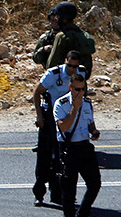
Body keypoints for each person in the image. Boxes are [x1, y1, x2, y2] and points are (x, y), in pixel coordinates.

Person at [31, 50, 86, 205]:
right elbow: (37, 92)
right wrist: (39, 116)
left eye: (75, 66)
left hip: (67, 118)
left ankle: (58, 194)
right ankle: (39, 193)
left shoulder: (80, 73)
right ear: (65, 61)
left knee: (61, 160)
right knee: (44, 157)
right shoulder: (53, 74)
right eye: (69, 65)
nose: (72, 69)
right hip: (50, 119)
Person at [53, 73, 101, 217]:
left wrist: (93, 131)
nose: (80, 93)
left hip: (84, 147)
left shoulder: (87, 103)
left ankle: (82, 216)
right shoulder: (62, 103)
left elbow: (89, 122)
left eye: (83, 89)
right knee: (69, 189)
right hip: (69, 149)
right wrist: (74, 107)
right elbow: (64, 127)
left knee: (95, 183)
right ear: (70, 88)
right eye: (77, 89)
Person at [45, 1, 95, 76]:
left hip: (64, 79)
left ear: (63, 19)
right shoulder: (84, 34)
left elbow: (51, 65)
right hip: (80, 79)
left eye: (58, 17)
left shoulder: (61, 36)